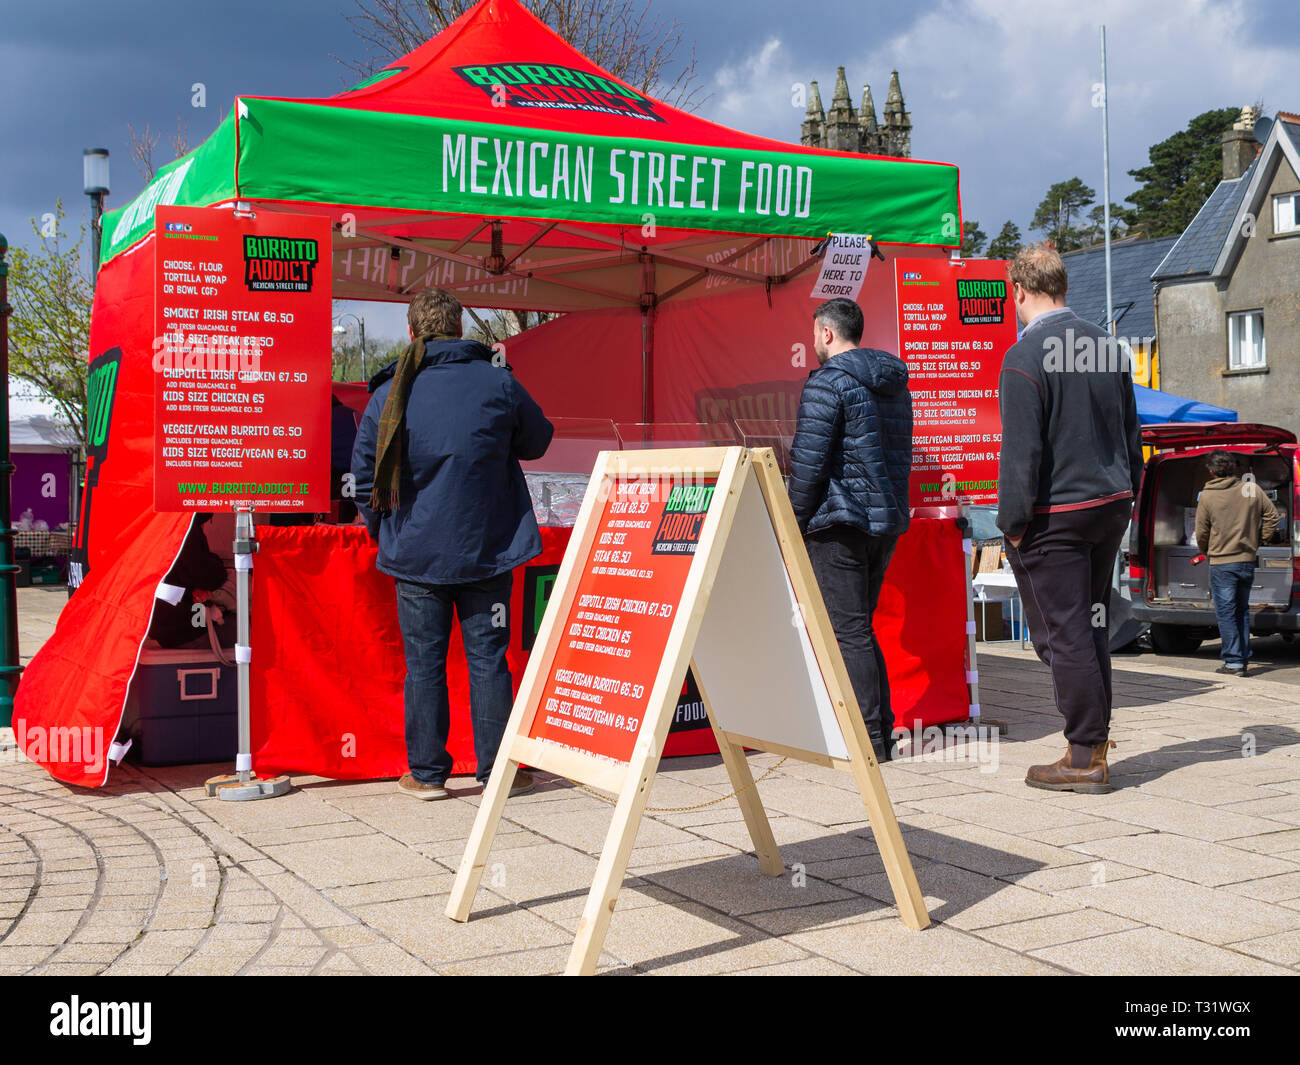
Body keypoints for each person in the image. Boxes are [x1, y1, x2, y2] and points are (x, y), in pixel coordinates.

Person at [352, 289, 553, 800]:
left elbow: (360, 477)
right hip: (488, 547)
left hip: (415, 552)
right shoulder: (499, 382)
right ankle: (496, 774)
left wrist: (384, 532)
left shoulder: (388, 394)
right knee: (488, 659)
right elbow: (537, 440)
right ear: (460, 329)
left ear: (412, 332)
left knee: (424, 662)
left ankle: (426, 776)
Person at [996, 243, 1143, 794]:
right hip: (1109, 503)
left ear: (1019, 291)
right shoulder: (1106, 346)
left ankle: (1083, 754)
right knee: (1093, 622)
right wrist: (1129, 493)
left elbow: (1021, 452)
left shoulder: (1024, 356)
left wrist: (1011, 522)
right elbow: (1132, 433)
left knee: (1066, 632)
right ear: (1063, 286)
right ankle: (1093, 742)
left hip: (1056, 513)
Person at [788, 297, 912, 763]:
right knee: (861, 627)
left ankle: (866, 740)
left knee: (850, 631)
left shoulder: (826, 382)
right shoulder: (894, 382)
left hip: (838, 522)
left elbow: (809, 462)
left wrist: (792, 522)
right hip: (884, 521)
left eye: (812, 333)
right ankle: (879, 734)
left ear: (825, 333)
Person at [1194, 450, 1280, 676]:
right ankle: (1241, 657)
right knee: (1241, 610)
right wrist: (1258, 540)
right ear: (1234, 468)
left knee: (1226, 613)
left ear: (1212, 471)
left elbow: (1201, 531)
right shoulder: (1251, 489)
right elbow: (1273, 517)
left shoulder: (1208, 496)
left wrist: (1207, 551)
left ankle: (1233, 662)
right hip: (1246, 560)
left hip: (1221, 562)